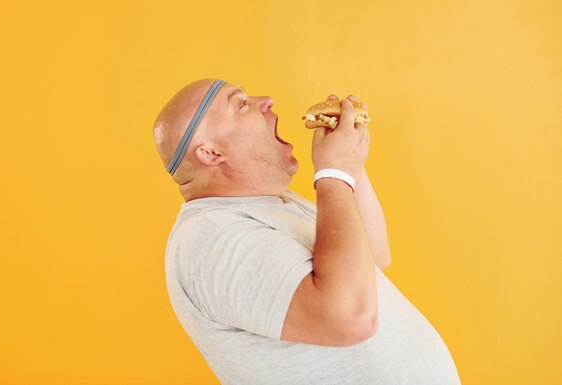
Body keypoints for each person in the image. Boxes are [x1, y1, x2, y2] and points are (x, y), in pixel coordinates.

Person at [153, 78, 461, 385]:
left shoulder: (273, 206)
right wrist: (334, 174)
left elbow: (374, 255)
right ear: (211, 153)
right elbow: (349, 318)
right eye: (241, 103)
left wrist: (349, 169)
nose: (267, 100)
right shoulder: (209, 239)